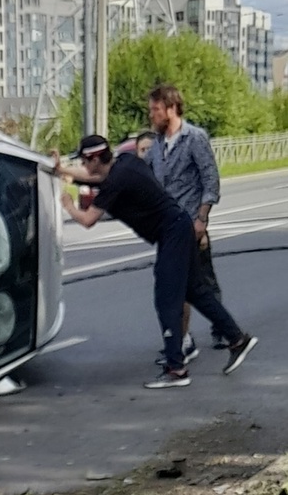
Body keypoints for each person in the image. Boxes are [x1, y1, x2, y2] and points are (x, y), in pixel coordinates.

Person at [55, 133, 256, 388]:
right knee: (195, 291)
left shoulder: (115, 182)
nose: (83, 166)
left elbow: (87, 220)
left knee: (167, 299)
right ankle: (238, 339)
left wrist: (69, 206)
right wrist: (61, 170)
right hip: (178, 227)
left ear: (95, 158)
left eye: (85, 160)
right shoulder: (125, 162)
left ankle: (176, 369)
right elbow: (95, 177)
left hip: (172, 233)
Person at [147, 83, 223, 356]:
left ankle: (213, 333)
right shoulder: (156, 144)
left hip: (191, 223)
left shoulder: (194, 138)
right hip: (169, 227)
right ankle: (187, 339)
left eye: (155, 110)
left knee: (201, 281)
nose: (152, 115)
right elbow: (145, 177)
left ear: (171, 108)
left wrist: (202, 219)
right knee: (186, 284)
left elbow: (210, 179)